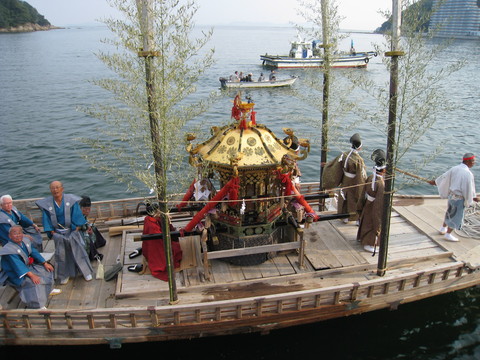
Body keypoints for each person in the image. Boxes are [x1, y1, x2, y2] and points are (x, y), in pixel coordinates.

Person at [35, 181, 93, 284]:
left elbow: (77, 215)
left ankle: (86, 272)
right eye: (53, 188)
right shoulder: (47, 203)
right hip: (57, 232)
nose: (55, 190)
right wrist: (52, 232)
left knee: (79, 251)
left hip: (72, 230)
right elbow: (46, 219)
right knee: (61, 254)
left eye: (57, 187)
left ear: (62, 189)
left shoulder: (70, 200)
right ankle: (64, 275)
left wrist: (77, 227)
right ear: (50, 190)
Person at [0, 226, 60, 309]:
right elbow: (17, 266)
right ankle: (37, 305)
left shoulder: (25, 241)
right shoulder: (8, 250)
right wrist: (32, 275)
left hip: (27, 266)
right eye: (15, 234)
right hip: (15, 273)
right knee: (32, 282)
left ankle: (48, 290)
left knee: (47, 270)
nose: (18, 235)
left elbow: (33, 252)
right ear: (10, 236)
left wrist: (44, 263)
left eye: (19, 233)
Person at [428, 153, 478, 242]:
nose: (474, 162)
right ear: (467, 161)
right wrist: (473, 197)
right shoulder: (468, 174)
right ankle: (448, 234)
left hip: (452, 196)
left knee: (449, 212)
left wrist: (435, 182)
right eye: (473, 161)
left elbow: (444, 177)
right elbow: (468, 189)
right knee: (455, 216)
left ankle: (443, 228)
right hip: (459, 198)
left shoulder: (455, 168)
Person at [129, 202, 182, 282]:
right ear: (155, 213)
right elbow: (160, 241)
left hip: (151, 243)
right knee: (175, 250)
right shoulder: (153, 227)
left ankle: (145, 252)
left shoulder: (148, 219)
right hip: (157, 246)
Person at [323, 133, 367, 223]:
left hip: (345, 180)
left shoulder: (345, 155)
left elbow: (336, 165)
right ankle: (356, 219)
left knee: (344, 198)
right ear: (359, 147)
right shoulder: (358, 159)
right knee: (355, 199)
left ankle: (344, 218)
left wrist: (327, 165)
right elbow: (361, 175)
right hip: (354, 182)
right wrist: (362, 186)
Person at [357, 149, 386, 253]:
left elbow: (363, 193)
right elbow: (378, 205)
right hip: (374, 205)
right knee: (373, 223)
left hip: (367, 203)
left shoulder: (370, 177)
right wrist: (378, 221)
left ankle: (362, 238)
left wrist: (360, 206)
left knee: (366, 221)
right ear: (383, 171)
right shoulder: (381, 184)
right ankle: (370, 243)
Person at [78, 196, 105, 261]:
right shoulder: (76, 214)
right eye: (85, 209)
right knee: (86, 237)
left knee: (93, 227)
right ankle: (92, 255)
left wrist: (88, 227)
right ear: (81, 208)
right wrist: (86, 230)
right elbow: (79, 226)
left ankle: (97, 244)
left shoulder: (83, 214)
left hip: (83, 228)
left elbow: (85, 222)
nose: (88, 211)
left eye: (89, 209)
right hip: (77, 232)